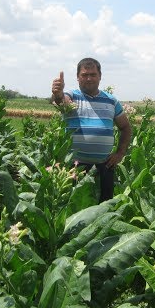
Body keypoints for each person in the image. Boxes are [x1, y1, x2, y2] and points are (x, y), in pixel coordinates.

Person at [51, 57, 132, 202]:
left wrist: (120, 153)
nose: (89, 78)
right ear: (77, 77)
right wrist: (58, 95)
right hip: (74, 168)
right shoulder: (72, 96)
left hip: (104, 167)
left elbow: (125, 128)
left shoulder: (111, 101)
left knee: (103, 209)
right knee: (74, 210)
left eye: (93, 74)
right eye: (84, 75)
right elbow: (62, 101)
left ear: (100, 76)